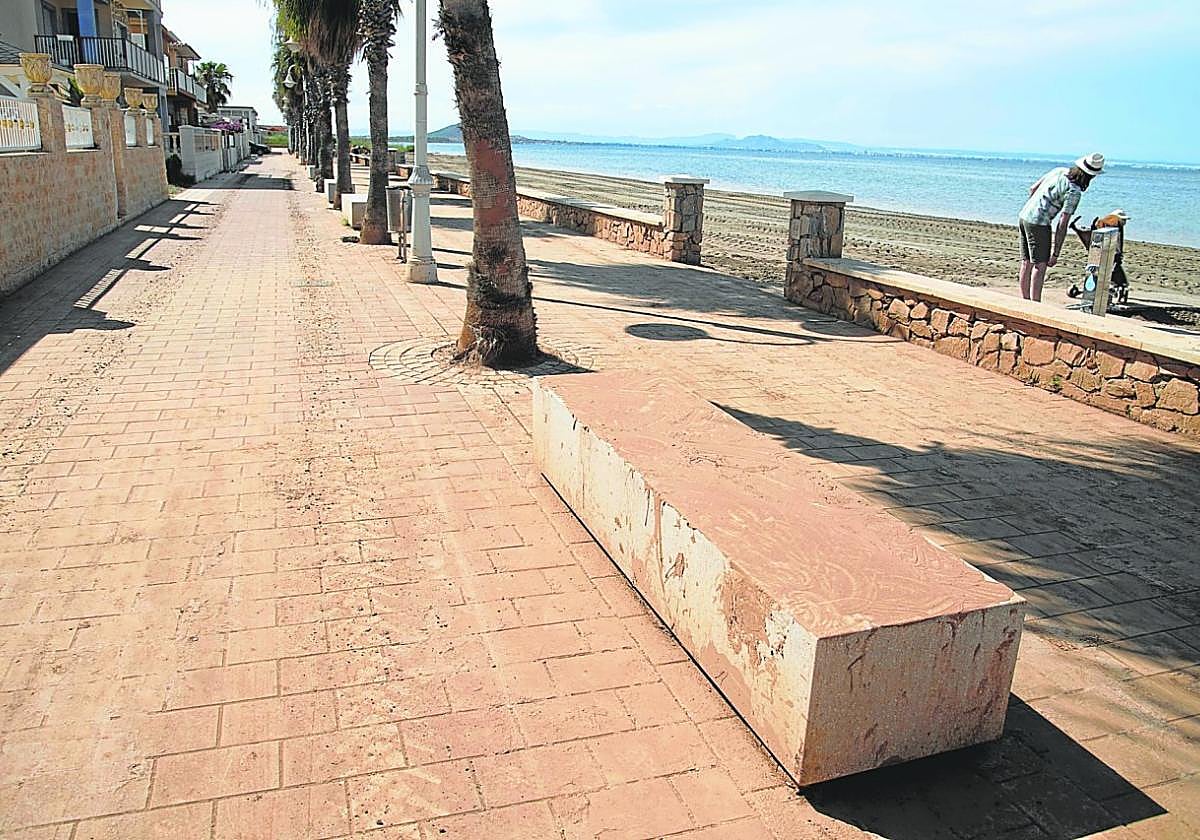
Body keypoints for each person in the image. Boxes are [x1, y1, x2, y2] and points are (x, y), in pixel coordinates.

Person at [1017, 153, 1104, 301]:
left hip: (1024, 215)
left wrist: (1035, 207)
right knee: (1040, 265)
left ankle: (1024, 300)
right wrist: (1056, 253)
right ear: (1091, 176)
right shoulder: (1074, 191)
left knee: (1027, 262)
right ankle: (1035, 304)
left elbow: (1032, 189)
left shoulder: (1059, 171)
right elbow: (1063, 223)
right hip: (1039, 223)